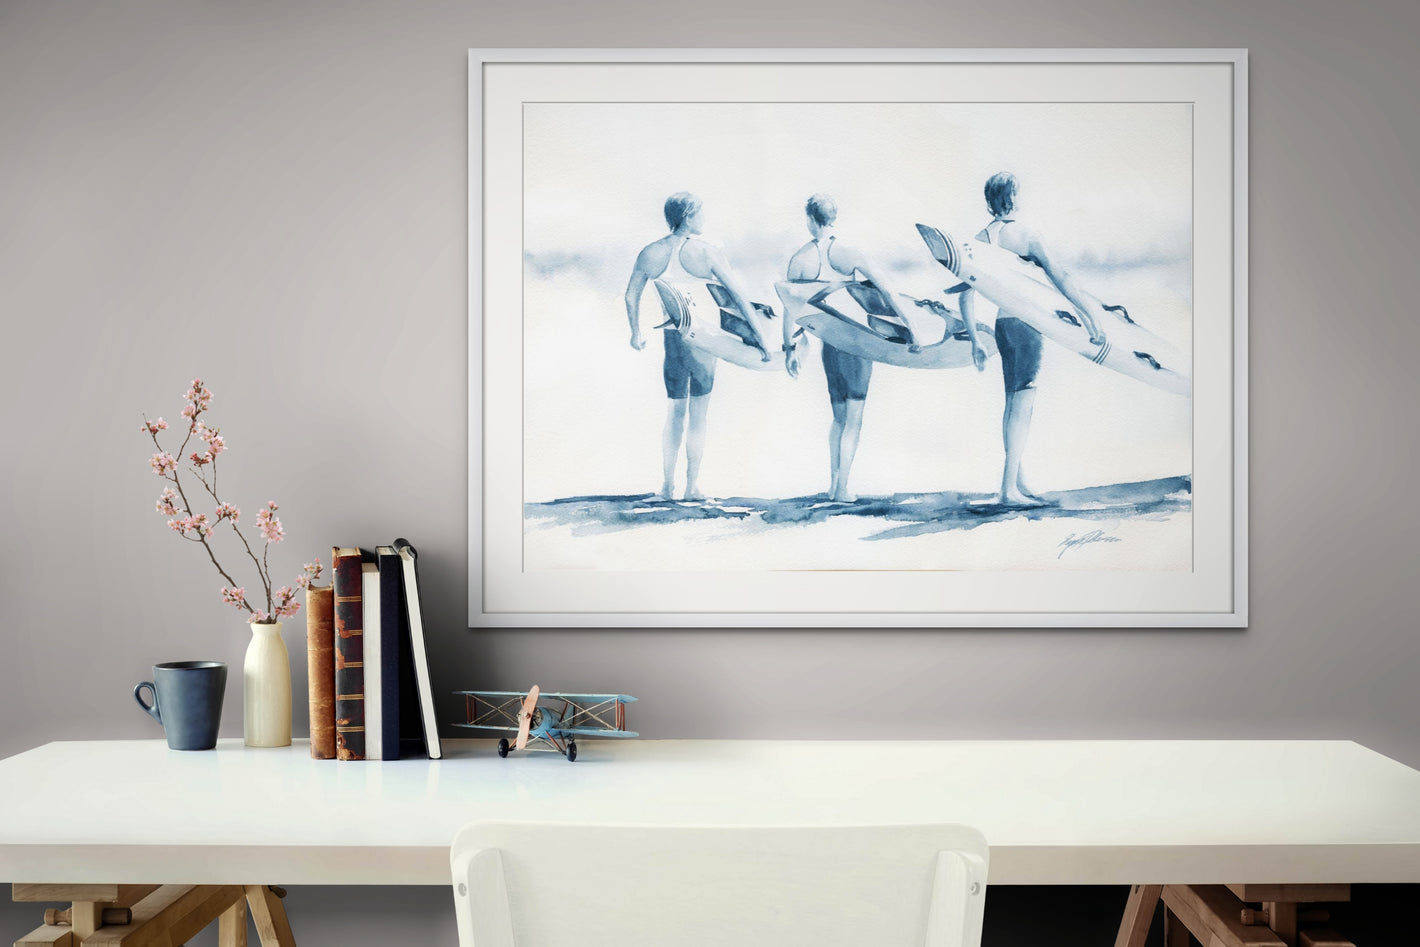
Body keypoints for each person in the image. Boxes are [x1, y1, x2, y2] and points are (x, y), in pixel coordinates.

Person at [959, 172, 1107, 507]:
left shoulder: (977, 240)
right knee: (1023, 406)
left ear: (988, 201)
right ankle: (1008, 490)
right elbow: (1062, 279)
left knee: (1012, 403)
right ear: (1015, 198)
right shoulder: (1025, 236)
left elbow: (965, 296)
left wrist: (974, 340)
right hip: (1027, 327)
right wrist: (1091, 317)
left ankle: (1017, 481)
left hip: (1002, 326)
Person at [624, 192, 768, 500]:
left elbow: (630, 295)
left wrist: (635, 332)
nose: (703, 219)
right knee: (699, 414)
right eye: (699, 214)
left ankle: (666, 486)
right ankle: (691, 487)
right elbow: (740, 300)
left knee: (675, 411)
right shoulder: (707, 253)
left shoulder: (651, 252)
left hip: (672, 339)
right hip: (703, 342)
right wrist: (763, 343)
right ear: (688, 216)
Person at [785, 193, 916, 503]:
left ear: (809, 220)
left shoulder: (800, 259)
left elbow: (791, 307)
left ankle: (834, 485)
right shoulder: (850, 254)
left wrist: (790, 347)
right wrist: (911, 326)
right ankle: (843, 487)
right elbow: (887, 290)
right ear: (834, 218)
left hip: (830, 345)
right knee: (854, 418)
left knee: (839, 418)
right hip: (857, 346)